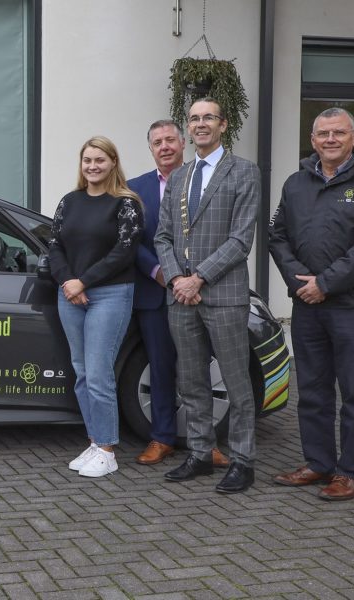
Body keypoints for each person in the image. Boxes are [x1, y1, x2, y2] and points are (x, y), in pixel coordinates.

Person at [268, 107, 354, 501]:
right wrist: (301, 283)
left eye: (339, 132)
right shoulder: (295, 184)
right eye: (323, 133)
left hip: (353, 307)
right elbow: (277, 237)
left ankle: (351, 471)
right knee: (314, 390)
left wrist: (326, 282)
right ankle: (318, 463)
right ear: (313, 140)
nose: (331, 139)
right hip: (308, 307)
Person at [154, 98, 261, 494]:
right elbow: (162, 235)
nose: (201, 124)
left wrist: (198, 278)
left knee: (236, 382)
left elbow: (241, 239)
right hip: (180, 296)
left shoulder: (244, 172)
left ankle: (243, 460)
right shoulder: (179, 176)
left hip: (223, 295)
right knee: (192, 379)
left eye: (208, 118)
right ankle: (200, 453)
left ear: (222, 124)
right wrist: (178, 279)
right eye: (195, 118)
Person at [127, 120, 230, 469]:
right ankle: (163, 438)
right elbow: (131, 241)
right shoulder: (134, 189)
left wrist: (197, 278)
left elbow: (219, 234)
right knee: (159, 366)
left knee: (197, 366)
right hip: (156, 292)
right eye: (157, 142)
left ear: (182, 142)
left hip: (202, 290)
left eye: (170, 139)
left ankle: (205, 443)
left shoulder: (206, 180)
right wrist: (160, 273)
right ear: (151, 148)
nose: (165, 146)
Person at [49, 136, 144, 478]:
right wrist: (67, 282)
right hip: (71, 294)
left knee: (99, 373)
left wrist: (83, 282)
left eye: (99, 160)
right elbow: (54, 245)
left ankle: (107, 449)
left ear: (113, 163)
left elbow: (124, 252)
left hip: (110, 294)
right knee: (82, 372)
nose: (92, 166)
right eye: (87, 160)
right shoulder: (69, 201)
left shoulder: (126, 203)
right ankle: (93, 441)